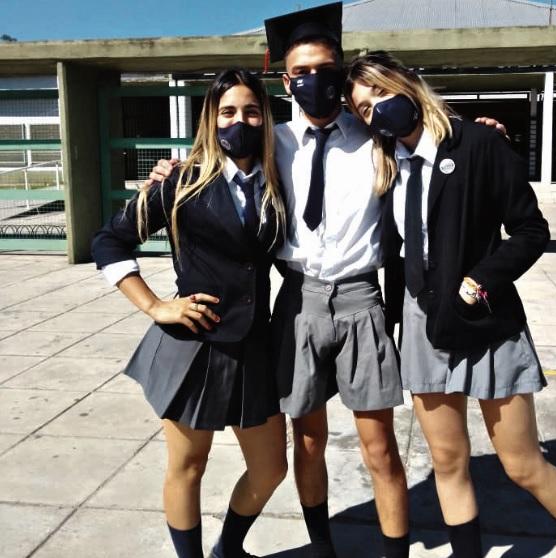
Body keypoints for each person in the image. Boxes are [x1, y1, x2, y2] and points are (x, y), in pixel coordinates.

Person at [146, 5, 507, 557]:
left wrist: (477, 134)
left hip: (362, 299)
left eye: (325, 69)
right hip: (300, 301)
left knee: (379, 447)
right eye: (301, 72)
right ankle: (323, 549)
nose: (314, 81)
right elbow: (217, 166)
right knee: (308, 443)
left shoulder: (376, 136)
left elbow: (432, 140)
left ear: (341, 72)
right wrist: (168, 172)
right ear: (285, 81)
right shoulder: (272, 143)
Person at [344, 51, 556, 558]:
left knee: (522, 464)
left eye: (381, 92)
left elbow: (531, 230)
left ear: (408, 83)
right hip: (424, 324)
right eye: (364, 108)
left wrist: (481, 280)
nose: (376, 109)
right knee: (448, 462)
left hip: (486, 319)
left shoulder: (479, 143)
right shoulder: (387, 167)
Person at [91, 69, 287, 558]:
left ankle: (229, 549)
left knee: (270, 468)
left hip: (254, 344)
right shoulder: (180, 182)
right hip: (196, 344)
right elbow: (109, 241)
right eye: (227, 111)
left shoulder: (279, 180)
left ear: (265, 118)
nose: (239, 121)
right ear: (210, 119)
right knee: (188, 466)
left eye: (251, 111)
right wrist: (155, 305)